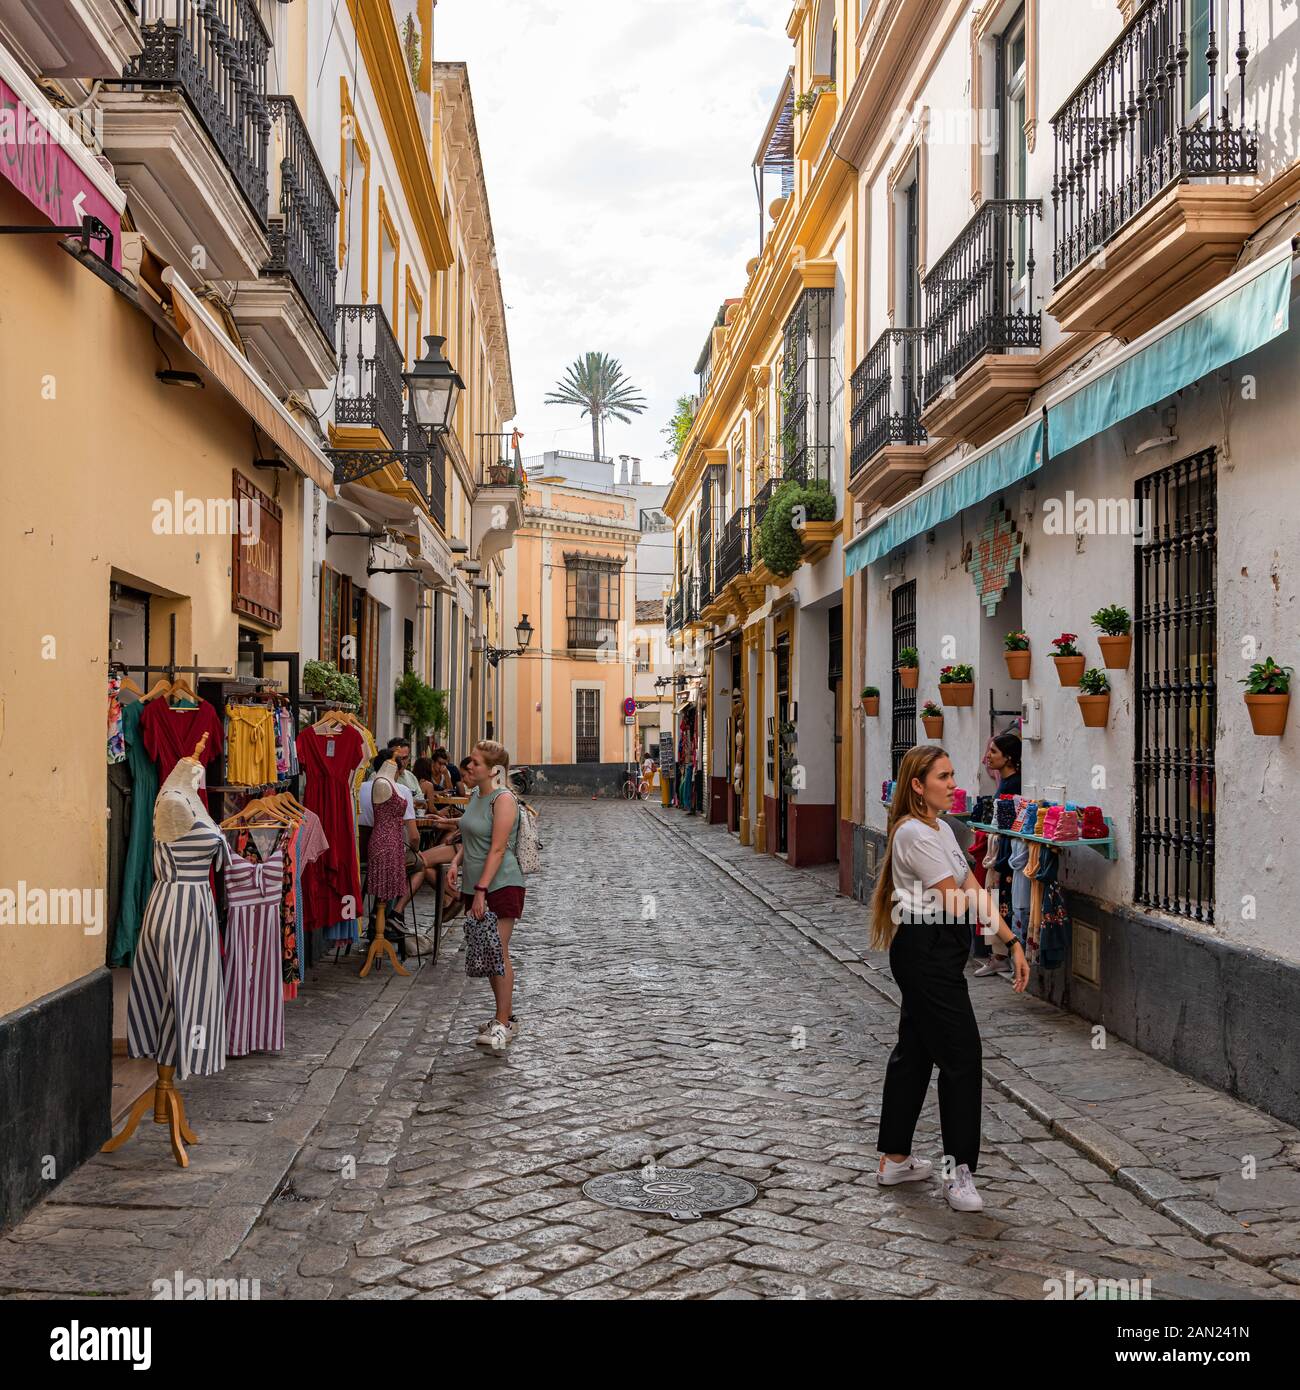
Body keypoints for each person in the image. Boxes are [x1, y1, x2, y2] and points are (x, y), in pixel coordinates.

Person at [871, 743, 1028, 1213]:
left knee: (915, 1053)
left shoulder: (941, 830)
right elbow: (953, 899)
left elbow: (973, 889)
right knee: (962, 1056)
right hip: (927, 954)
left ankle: (895, 1159)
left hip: (936, 950)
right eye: (943, 776)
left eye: (953, 774)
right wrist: (974, 902)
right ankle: (959, 1173)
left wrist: (1011, 941)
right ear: (918, 786)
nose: (953, 783)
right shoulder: (915, 835)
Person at [447, 740, 524, 1053]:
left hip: (501, 884)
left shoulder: (503, 800)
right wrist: (455, 862)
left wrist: (482, 890)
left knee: (498, 951)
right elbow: (473, 836)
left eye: (476, 763)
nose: (470, 767)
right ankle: (502, 1016)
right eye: (471, 762)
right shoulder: (477, 796)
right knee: (490, 953)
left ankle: (504, 1023)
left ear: (494, 770)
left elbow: (497, 847)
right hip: (475, 884)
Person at [974, 732, 1022, 977]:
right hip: (998, 849)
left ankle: (1001, 955)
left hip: (1005, 852)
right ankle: (997, 955)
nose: (988, 756)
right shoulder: (1004, 781)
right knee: (994, 899)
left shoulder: (1014, 784)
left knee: (1000, 900)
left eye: (993, 752)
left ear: (1009, 757)